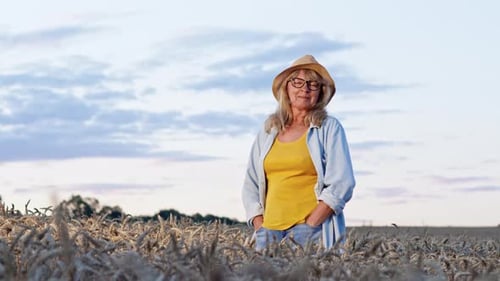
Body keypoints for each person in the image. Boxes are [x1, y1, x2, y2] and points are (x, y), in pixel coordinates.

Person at [241, 54, 356, 251]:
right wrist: (260, 225)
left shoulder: (329, 128)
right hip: (268, 231)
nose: (305, 88)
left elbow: (342, 182)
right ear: (286, 87)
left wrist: (310, 224)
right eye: (298, 81)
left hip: (310, 231)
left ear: (321, 92)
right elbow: (250, 182)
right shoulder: (269, 130)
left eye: (313, 84)